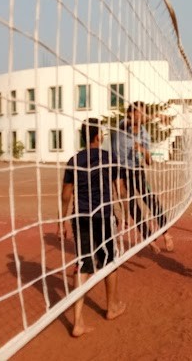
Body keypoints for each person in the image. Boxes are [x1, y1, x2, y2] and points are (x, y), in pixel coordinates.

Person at [60, 118, 126, 337]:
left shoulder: (74, 160)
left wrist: (61, 222)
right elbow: (120, 189)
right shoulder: (109, 158)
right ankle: (112, 307)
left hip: (80, 217)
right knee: (109, 262)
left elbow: (65, 195)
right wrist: (123, 213)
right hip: (103, 216)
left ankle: (77, 322)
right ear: (99, 136)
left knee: (83, 264)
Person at [110, 101, 173, 253]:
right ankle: (148, 237)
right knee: (132, 206)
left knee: (150, 199)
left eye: (144, 112)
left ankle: (166, 233)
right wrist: (157, 115)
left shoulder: (145, 134)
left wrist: (144, 151)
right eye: (140, 112)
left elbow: (149, 162)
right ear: (131, 114)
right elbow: (138, 121)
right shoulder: (123, 124)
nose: (142, 115)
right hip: (119, 170)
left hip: (137, 169)